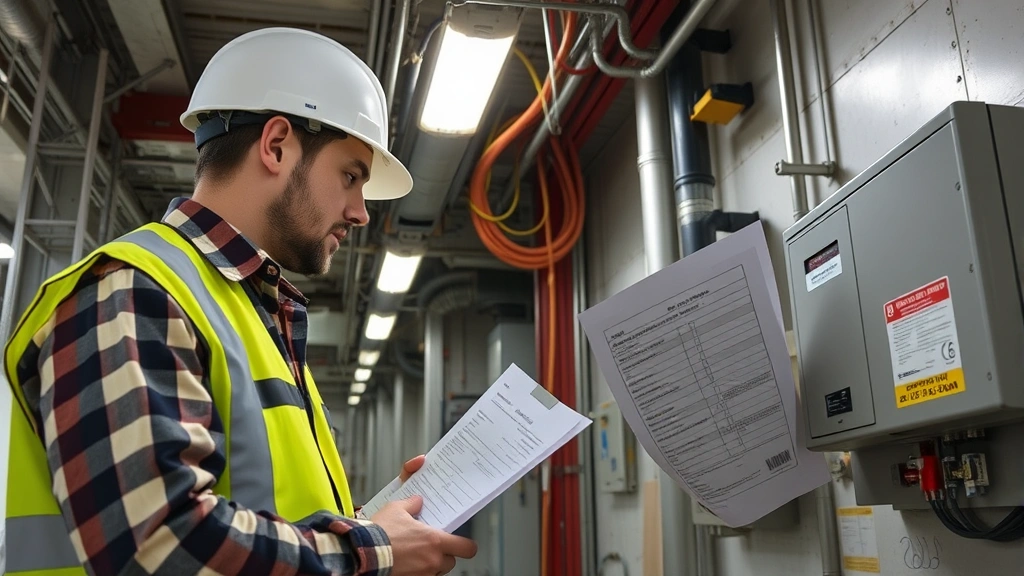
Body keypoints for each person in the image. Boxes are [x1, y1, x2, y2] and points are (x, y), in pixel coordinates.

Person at [2, 27, 476, 575]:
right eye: (350, 176)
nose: (360, 212)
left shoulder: (251, 315)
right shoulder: (133, 290)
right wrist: (372, 551)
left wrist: (375, 523)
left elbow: (266, 513)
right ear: (276, 146)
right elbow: (163, 546)